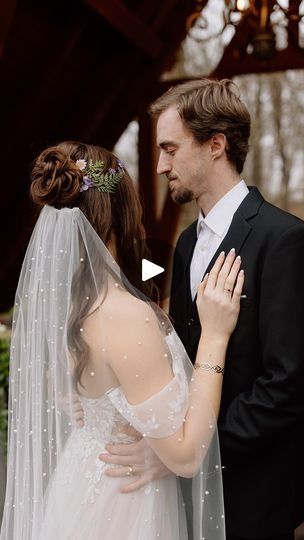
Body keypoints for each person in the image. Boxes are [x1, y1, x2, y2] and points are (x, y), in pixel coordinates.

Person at [0, 141, 244, 539]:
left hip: (84, 476)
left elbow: (86, 398)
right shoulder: (125, 315)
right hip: (122, 501)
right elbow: (183, 456)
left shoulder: (70, 306)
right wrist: (214, 336)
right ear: (122, 214)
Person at [103, 78, 304, 540]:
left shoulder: (284, 240)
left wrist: (195, 454)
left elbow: (289, 383)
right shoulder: (189, 242)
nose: (159, 166)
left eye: (171, 149)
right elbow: (184, 356)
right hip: (185, 494)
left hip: (253, 494)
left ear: (215, 145)